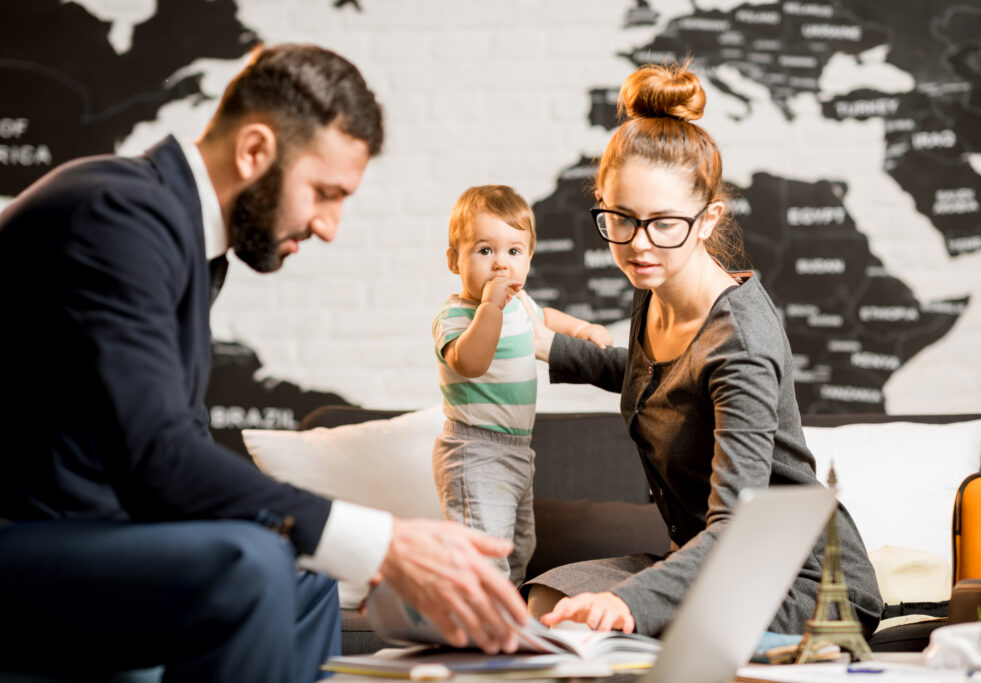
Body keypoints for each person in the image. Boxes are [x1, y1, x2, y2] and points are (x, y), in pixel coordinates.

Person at [0, 44, 527, 682]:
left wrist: (343, 542)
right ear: (254, 151)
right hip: (26, 534)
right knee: (250, 565)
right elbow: (158, 457)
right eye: (324, 193)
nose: (330, 226)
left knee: (305, 578)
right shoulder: (118, 215)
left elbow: (174, 441)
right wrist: (384, 542)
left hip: (72, 527)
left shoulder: (183, 238)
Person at [520, 63, 884, 638]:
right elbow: (661, 378)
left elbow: (737, 525)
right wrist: (550, 347)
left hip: (797, 581)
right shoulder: (657, 286)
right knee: (548, 603)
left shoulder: (740, 342)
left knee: (617, 625)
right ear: (603, 203)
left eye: (664, 223)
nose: (639, 244)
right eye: (621, 219)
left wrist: (632, 604)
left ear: (707, 217)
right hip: (710, 561)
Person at [432, 185, 612, 586]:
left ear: (529, 258)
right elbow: (472, 362)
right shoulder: (457, 316)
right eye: (485, 251)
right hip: (473, 451)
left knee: (518, 551)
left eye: (514, 252)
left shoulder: (519, 303)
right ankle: (481, 632)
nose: (501, 265)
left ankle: (505, 622)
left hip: (517, 452)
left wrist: (581, 328)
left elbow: (544, 318)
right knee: (486, 555)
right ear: (453, 259)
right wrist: (490, 307)